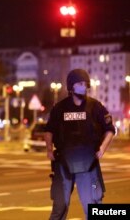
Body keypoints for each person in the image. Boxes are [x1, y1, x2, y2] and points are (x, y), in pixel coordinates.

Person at [44, 68, 115, 219]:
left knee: (93, 205)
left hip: (89, 164)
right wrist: (49, 149)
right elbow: (49, 130)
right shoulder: (60, 108)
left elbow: (110, 129)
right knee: (60, 206)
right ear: (71, 87)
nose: (84, 87)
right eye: (80, 83)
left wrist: (102, 149)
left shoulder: (95, 107)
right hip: (63, 163)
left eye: (85, 84)